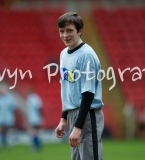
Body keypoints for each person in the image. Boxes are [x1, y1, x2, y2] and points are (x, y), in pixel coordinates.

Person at [55, 12, 104, 160]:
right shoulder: (64, 54)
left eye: (69, 30)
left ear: (80, 30)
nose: (65, 35)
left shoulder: (86, 55)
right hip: (73, 114)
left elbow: (88, 94)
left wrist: (78, 127)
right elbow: (68, 89)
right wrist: (64, 119)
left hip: (87, 115)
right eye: (62, 31)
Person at [0, 85, 17, 149]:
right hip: (0, 117)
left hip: (8, 117)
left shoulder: (10, 98)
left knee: (8, 131)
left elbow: (14, 107)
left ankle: (9, 144)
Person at [25, 86, 43, 152]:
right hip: (32, 117)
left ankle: (36, 146)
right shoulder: (30, 98)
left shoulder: (35, 98)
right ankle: (37, 146)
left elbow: (39, 108)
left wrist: (41, 117)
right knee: (34, 132)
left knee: (34, 132)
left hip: (35, 118)